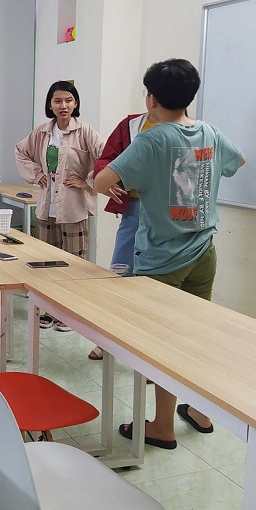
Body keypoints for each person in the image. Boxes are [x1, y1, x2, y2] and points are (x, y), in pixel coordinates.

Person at [93, 58, 244, 449]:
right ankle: (200, 411)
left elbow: (101, 181)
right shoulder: (209, 131)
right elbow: (237, 161)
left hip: (162, 259)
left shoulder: (152, 139)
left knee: (163, 345)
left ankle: (162, 426)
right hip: (203, 252)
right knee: (195, 336)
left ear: (152, 99)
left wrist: (140, 183)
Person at [15, 81, 104, 331]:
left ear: (75, 103)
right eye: (57, 101)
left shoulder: (85, 131)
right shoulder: (42, 132)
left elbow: (107, 157)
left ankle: (70, 313)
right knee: (46, 263)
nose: (63, 105)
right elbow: (20, 151)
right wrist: (37, 174)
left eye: (68, 100)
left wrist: (86, 182)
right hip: (47, 209)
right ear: (50, 105)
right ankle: (47, 309)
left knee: (73, 264)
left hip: (74, 209)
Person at [86, 111, 155, 360]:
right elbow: (106, 159)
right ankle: (108, 340)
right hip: (135, 208)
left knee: (157, 283)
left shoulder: (189, 130)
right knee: (120, 273)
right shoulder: (133, 124)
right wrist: (108, 180)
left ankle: (151, 352)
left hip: (168, 216)